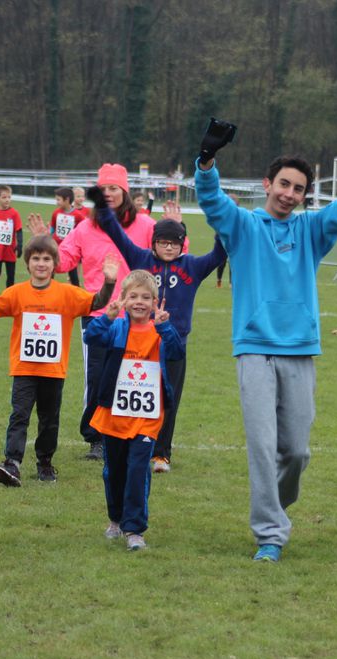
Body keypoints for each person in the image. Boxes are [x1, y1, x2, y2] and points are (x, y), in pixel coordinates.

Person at [195, 120, 337, 562]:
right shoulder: (241, 227)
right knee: (261, 446)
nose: (289, 193)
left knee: (296, 451)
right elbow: (211, 201)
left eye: (298, 188)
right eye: (283, 184)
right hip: (254, 350)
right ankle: (270, 535)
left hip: (300, 351)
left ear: (303, 195)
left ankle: (274, 506)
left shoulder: (311, 232)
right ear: (268, 184)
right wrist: (206, 163)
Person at [88, 188, 226, 473]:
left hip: (173, 343)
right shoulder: (142, 260)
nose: (169, 248)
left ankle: (161, 454)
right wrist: (103, 209)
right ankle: (127, 440)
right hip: (137, 339)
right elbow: (117, 235)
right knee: (133, 389)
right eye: (163, 242)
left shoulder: (193, 266)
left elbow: (218, 254)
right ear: (153, 244)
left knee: (168, 397)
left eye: (174, 243)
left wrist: (221, 224)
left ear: (182, 244)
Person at [0, 236, 117, 487]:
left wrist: (109, 282)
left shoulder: (67, 293)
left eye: (46, 259)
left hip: (53, 371)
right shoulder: (16, 293)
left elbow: (97, 302)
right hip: (24, 369)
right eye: (36, 259)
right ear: (27, 264)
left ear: (55, 263)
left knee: (49, 419)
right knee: (19, 415)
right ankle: (12, 463)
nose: (41, 264)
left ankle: (45, 463)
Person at [56, 164, 156, 460]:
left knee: (136, 378)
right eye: (104, 189)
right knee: (98, 378)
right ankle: (96, 437)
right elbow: (63, 261)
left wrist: (179, 232)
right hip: (100, 315)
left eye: (114, 188)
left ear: (124, 192)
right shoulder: (85, 227)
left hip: (138, 316)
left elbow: (170, 255)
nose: (109, 193)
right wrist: (48, 244)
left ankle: (136, 434)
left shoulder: (146, 226)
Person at [84, 270, 185, 551]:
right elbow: (91, 337)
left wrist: (165, 327)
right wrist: (107, 316)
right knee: (113, 471)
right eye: (133, 296)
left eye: (145, 297)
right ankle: (115, 519)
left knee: (139, 469)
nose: (139, 302)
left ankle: (134, 529)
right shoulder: (116, 328)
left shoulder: (159, 330)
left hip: (147, 418)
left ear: (155, 302)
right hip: (114, 415)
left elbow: (177, 352)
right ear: (123, 300)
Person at [50, 187, 85, 286]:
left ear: (67, 200)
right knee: (51, 268)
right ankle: (48, 288)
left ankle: (76, 291)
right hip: (55, 247)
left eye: (58, 199)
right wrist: (49, 239)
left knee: (72, 272)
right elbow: (52, 228)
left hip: (70, 249)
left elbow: (83, 229)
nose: (56, 202)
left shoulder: (78, 215)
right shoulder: (56, 213)